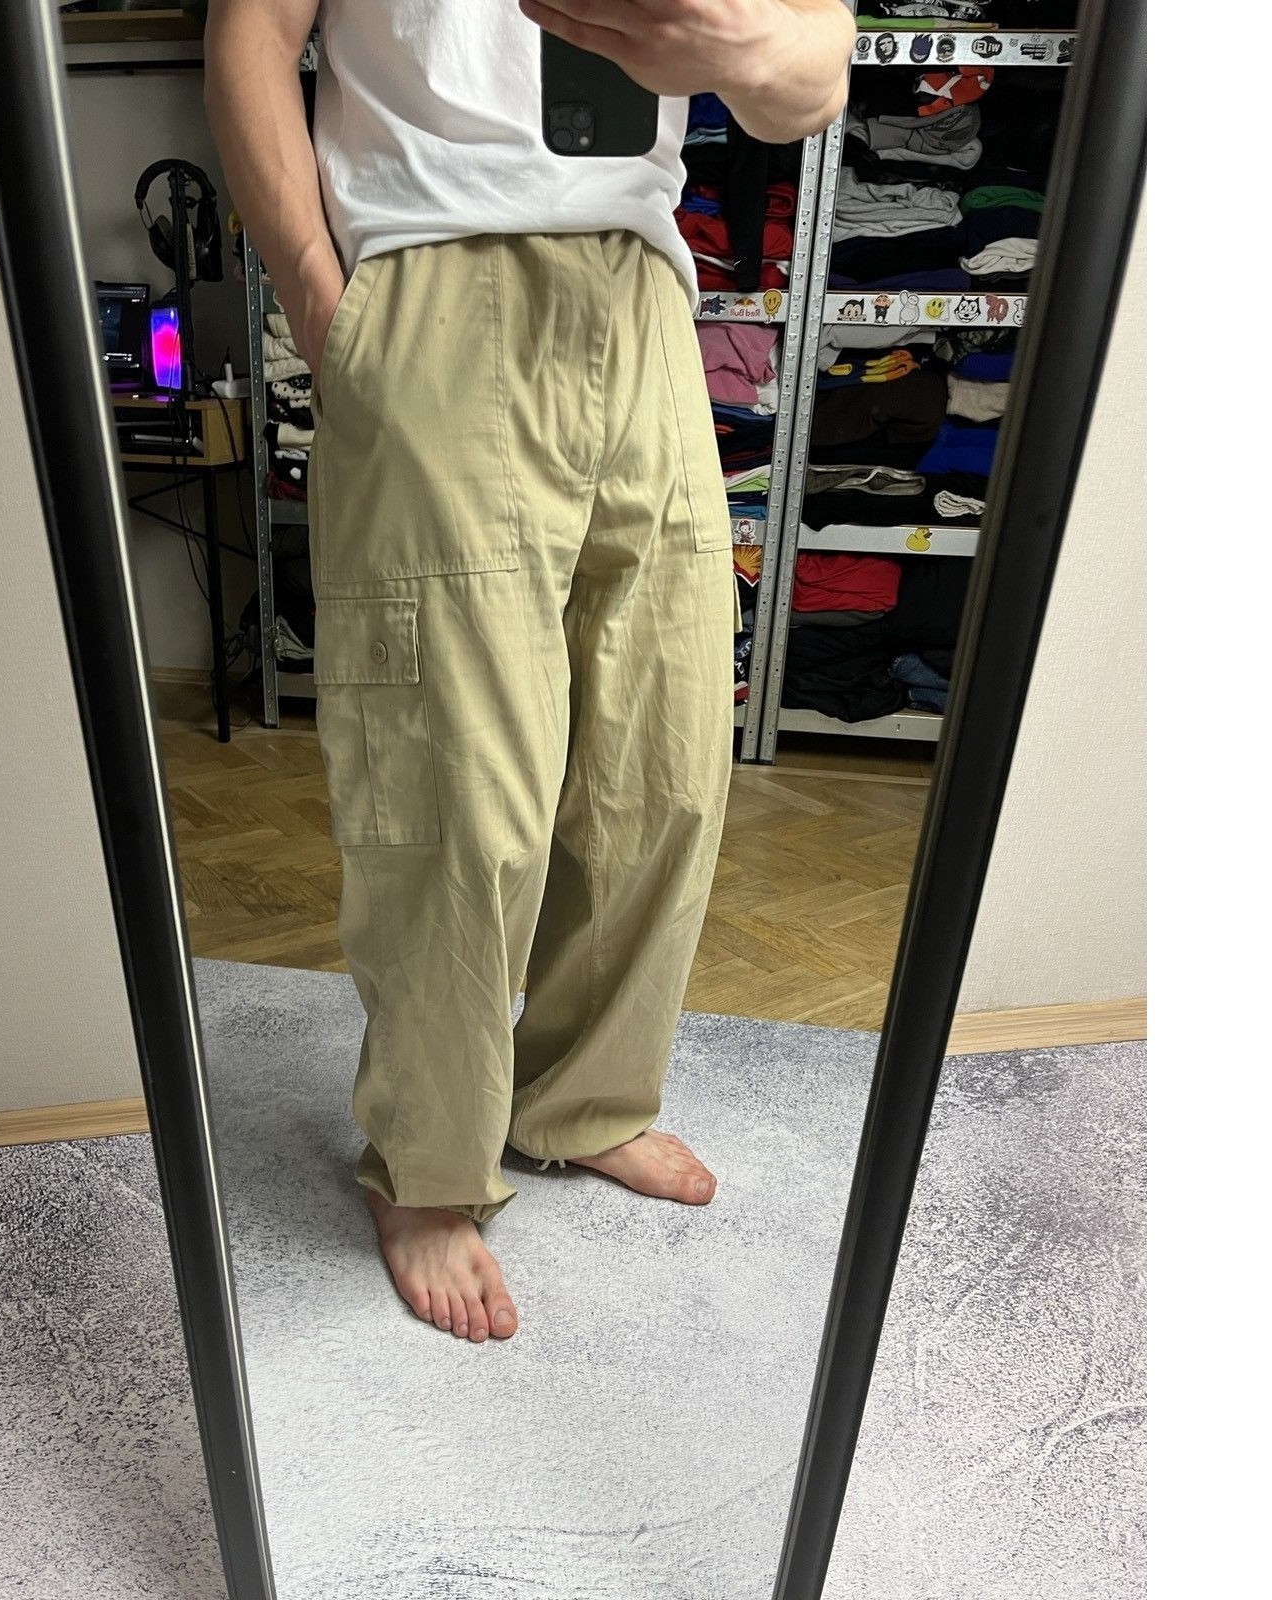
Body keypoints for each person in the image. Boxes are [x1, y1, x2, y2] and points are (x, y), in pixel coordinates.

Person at [205, 0, 856, 1343]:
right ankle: (429, 1162)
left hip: (644, 287)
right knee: (457, 793)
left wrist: (736, 50)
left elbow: (815, 79)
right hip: (432, 267)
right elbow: (252, 33)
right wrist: (322, 297)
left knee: (662, 762)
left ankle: (581, 1101)